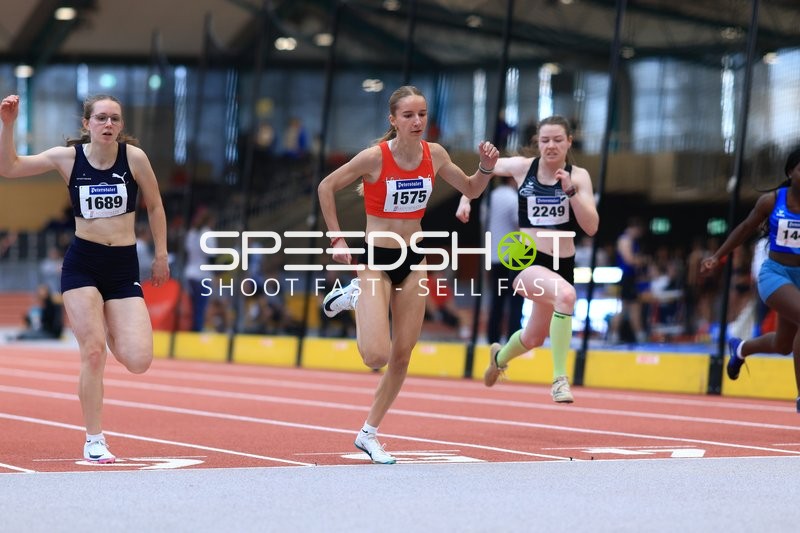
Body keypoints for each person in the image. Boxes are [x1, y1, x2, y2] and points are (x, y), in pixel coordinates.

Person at [318, 85, 499, 464]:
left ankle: (369, 434)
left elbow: (470, 188)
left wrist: (485, 167)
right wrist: (337, 239)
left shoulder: (435, 154)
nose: (417, 122)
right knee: (375, 356)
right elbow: (326, 186)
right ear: (393, 121)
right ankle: (354, 294)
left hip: (414, 259)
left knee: (402, 356)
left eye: (422, 115)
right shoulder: (374, 158)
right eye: (409, 116)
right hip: (375, 260)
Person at [0, 94, 169, 462]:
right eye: (101, 118)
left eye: (115, 119)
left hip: (124, 265)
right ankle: (95, 439)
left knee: (138, 359)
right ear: (86, 124)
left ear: (121, 126)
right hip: (83, 264)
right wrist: (8, 125)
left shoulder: (134, 159)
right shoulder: (69, 158)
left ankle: (108, 324)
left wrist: (160, 254)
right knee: (93, 354)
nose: (108, 125)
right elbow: (9, 168)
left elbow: (155, 205)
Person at [456, 115, 599, 403]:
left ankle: (499, 358)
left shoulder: (579, 175)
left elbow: (591, 226)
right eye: (545, 140)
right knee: (567, 295)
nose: (551, 146)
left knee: (534, 337)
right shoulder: (524, 168)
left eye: (558, 140)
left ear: (569, 141)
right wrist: (465, 198)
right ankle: (560, 380)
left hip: (562, 263)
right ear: (538, 142)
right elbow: (482, 171)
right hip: (526, 261)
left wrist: (570, 190)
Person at [701, 146, 800, 413]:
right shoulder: (772, 201)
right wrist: (717, 257)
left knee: (782, 345)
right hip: (776, 275)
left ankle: (741, 348)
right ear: (791, 172)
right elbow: (745, 229)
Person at [457, 175, 524, 344]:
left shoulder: (489, 199)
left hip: (494, 255)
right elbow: (520, 225)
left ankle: (492, 339)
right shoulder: (513, 198)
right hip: (513, 255)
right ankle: (513, 340)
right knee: (516, 300)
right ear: (512, 180)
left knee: (497, 299)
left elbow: (483, 224)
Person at [608, 217, 648, 344]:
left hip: (631, 278)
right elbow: (629, 259)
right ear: (635, 228)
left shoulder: (630, 240)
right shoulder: (625, 240)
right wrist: (642, 260)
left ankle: (638, 336)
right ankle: (615, 335)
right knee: (627, 308)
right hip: (626, 278)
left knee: (633, 308)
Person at [184, 208, 216, 332]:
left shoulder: (191, 233)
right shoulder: (207, 234)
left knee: (192, 308)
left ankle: (192, 330)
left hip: (190, 273)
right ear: (210, 221)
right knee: (200, 307)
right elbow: (211, 258)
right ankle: (197, 331)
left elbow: (188, 253)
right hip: (202, 275)